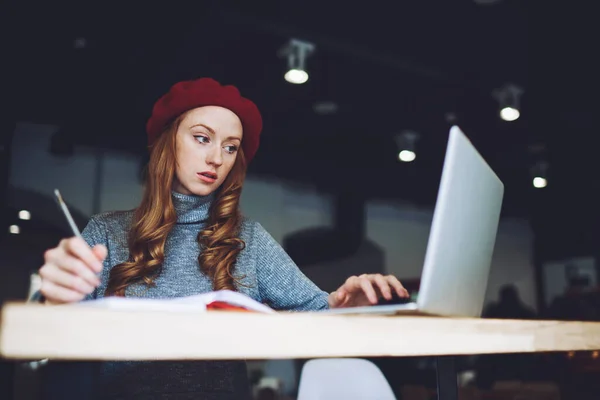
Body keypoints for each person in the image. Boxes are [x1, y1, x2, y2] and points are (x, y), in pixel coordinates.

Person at [33, 77, 409, 399]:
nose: (217, 157)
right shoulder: (106, 232)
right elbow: (52, 342)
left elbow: (318, 313)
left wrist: (347, 305)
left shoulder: (248, 239)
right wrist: (52, 298)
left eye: (230, 147)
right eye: (202, 138)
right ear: (169, 142)